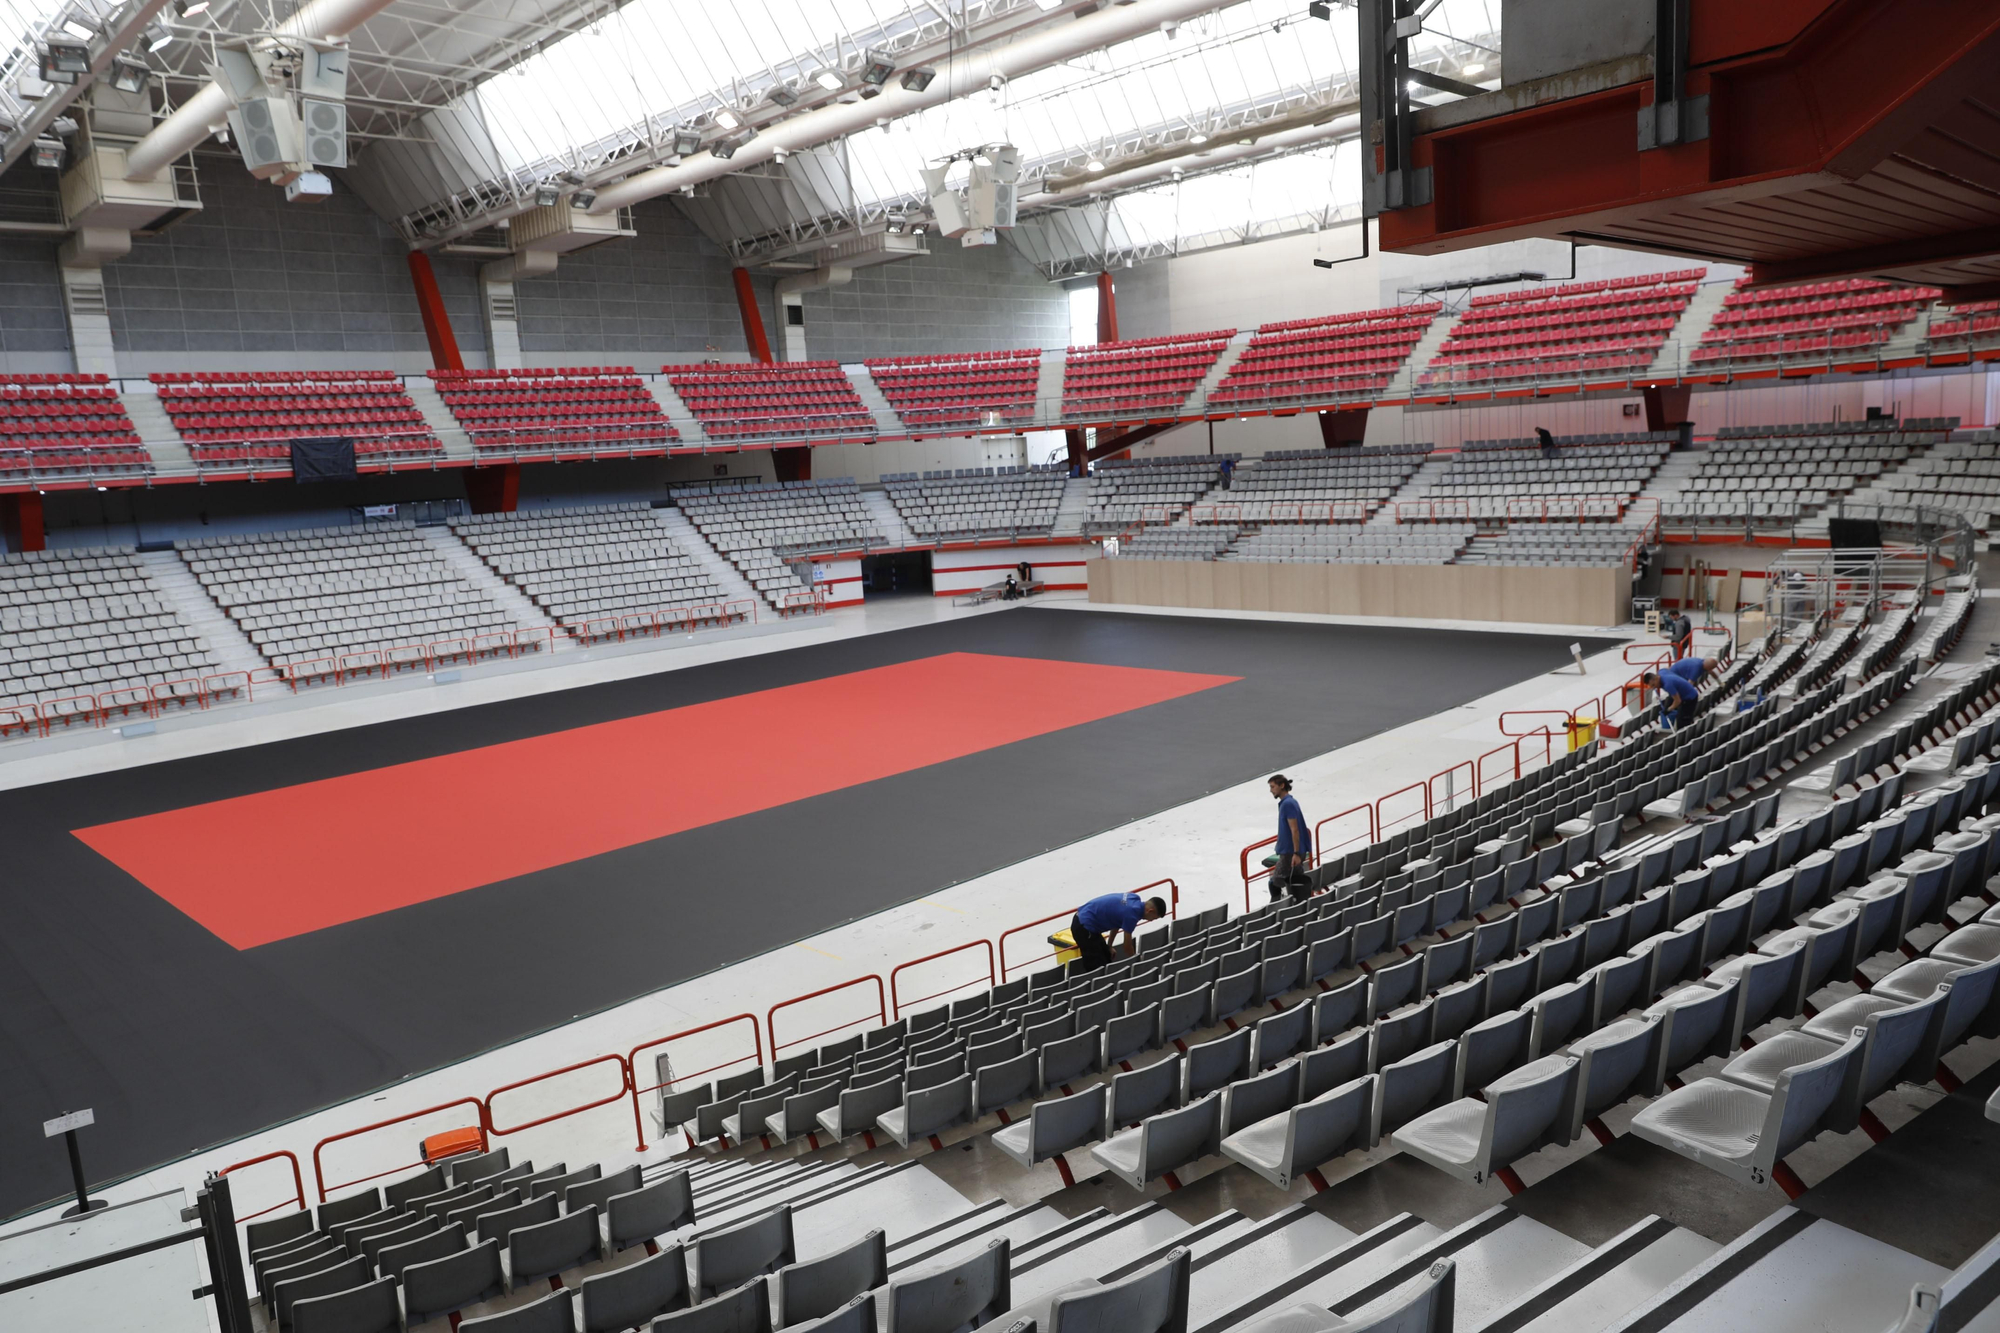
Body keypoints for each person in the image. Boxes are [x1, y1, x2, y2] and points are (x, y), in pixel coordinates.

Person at [1069, 892, 1167, 972]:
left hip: (1088, 922)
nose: (1150, 921)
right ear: (1150, 911)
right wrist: (1138, 963)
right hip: (1084, 927)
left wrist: (1110, 946)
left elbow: (1117, 922)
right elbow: (1127, 947)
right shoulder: (1132, 915)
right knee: (1097, 968)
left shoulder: (1134, 897)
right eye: (1153, 918)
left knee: (1107, 956)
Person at [1268, 774, 1311, 900]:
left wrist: (1296, 853)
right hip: (1292, 851)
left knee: (1275, 882)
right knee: (1295, 879)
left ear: (1282, 786)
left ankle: (1277, 907)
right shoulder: (1290, 802)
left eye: (1273, 787)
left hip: (1290, 852)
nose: (1271, 790)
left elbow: (1295, 829)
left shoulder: (1288, 804)